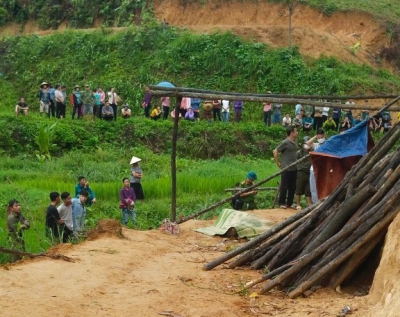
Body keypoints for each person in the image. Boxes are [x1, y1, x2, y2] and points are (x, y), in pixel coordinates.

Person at [273, 125, 298, 209]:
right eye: (296, 131)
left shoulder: (294, 142)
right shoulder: (285, 142)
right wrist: (278, 163)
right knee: (284, 186)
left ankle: (289, 203)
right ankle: (281, 202)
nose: (297, 132)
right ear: (292, 133)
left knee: (292, 187)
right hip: (286, 168)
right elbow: (275, 151)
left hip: (294, 168)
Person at [306, 128, 326, 203]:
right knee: (313, 188)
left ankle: (322, 203)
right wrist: (315, 136)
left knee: (322, 187)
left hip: (323, 170)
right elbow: (307, 144)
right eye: (319, 137)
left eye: (322, 137)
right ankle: (315, 203)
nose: (320, 139)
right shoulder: (316, 145)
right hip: (313, 169)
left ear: (324, 136)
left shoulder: (327, 144)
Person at [295, 137, 313, 210]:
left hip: (309, 172)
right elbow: (296, 162)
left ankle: (309, 203)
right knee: (299, 188)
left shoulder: (312, 152)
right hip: (301, 172)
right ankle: (298, 204)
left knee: (308, 189)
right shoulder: (299, 153)